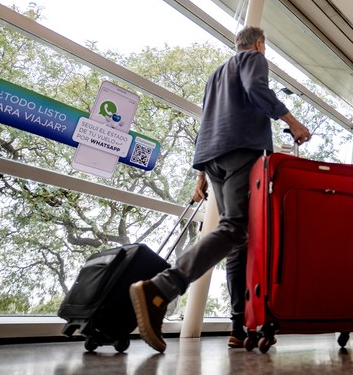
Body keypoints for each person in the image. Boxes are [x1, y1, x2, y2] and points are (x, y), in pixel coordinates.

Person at [128, 26, 312, 353]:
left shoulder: (215, 75)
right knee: (235, 229)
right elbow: (256, 88)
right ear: (258, 45)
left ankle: (238, 327)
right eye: (262, 48)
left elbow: (206, 119)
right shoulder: (253, 59)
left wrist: (200, 174)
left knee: (236, 238)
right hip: (241, 149)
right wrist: (292, 121)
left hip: (212, 155)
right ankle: (160, 288)